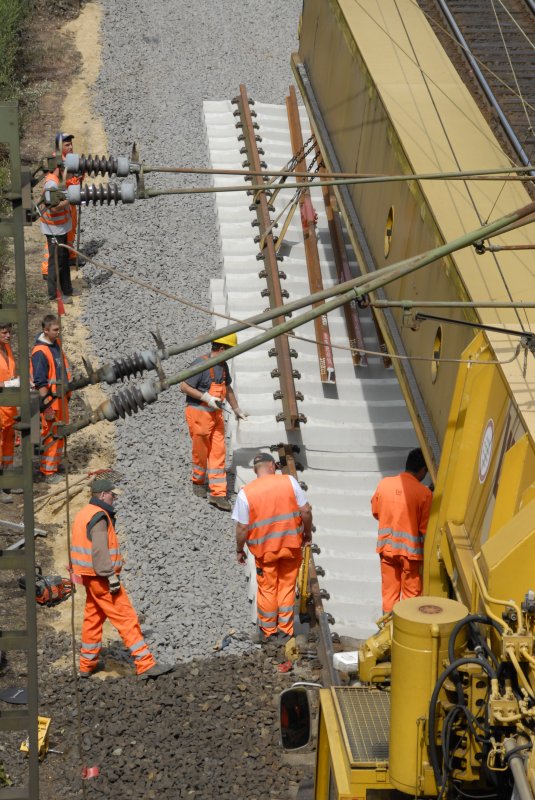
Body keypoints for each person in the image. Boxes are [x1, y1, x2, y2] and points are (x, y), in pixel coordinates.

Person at [70, 477, 175, 680]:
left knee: (93, 619)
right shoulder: (99, 516)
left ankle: (86, 664)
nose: (114, 498)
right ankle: (145, 663)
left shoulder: (84, 513)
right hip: (102, 578)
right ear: (102, 495)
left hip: (89, 577)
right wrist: (111, 577)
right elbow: (100, 550)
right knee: (126, 617)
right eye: (112, 494)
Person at [233, 452, 313, 643]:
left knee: (268, 588)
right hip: (291, 546)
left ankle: (269, 633)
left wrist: (239, 549)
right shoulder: (289, 482)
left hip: (265, 551)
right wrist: (307, 533)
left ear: (255, 470)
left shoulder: (246, 493)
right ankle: (285, 632)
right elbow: (306, 510)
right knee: (286, 586)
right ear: (271, 466)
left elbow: (242, 527)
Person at [180, 333, 248, 512]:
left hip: (215, 415)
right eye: (230, 351)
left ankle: (217, 494)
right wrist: (206, 397)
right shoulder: (200, 364)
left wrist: (236, 409)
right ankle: (199, 482)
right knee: (201, 452)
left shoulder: (223, 366)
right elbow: (184, 386)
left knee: (218, 452)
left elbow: (227, 388)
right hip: (198, 414)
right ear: (222, 349)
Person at [371, 447, 433, 614]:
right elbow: (425, 529)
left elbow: (376, 512)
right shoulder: (425, 494)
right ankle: (406, 633)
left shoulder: (384, 484)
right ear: (422, 470)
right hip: (410, 555)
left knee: (389, 595)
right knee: (411, 597)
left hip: (387, 549)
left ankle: (386, 631)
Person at [30, 314, 71, 483]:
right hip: (51, 402)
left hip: (60, 398)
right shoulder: (40, 352)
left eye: (59, 329)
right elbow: (40, 382)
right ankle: (48, 471)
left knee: (60, 433)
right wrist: (46, 405)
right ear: (45, 330)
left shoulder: (56, 344)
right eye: (55, 330)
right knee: (52, 434)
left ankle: (55, 464)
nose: (58, 332)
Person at [39, 149, 73, 304]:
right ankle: (54, 295)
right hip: (54, 229)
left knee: (64, 258)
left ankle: (67, 289)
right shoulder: (51, 183)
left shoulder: (59, 180)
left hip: (62, 227)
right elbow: (53, 208)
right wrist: (71, 199)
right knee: (56, 261)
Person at [0, 324, 20, 504]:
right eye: (4, 332)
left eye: (9, 332)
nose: (8, 335)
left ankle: (8, 482)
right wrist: (9, 385)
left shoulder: (7, 348)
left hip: (9, 407)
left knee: (8, 446)